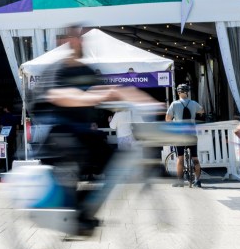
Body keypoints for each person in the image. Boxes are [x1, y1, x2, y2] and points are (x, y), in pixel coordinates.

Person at [36, 26, 154, 234]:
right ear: (62, 42)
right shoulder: (55, 70)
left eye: (80, 38)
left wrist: (139, 98)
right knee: (79, 158)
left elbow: (106, 90)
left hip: (85, 134)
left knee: (114, 161)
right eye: (73, 38)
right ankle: (75, 214)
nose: (79, 42)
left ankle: (85, 210)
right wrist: (86, 97)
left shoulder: (86, 71)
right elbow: (59, 96)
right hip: (59, 135)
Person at [165, 84, 204, 187]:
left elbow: (168, 119)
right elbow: (202, 110)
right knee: (195, 158)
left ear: (178, 92)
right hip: (192, 134)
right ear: (188, 92)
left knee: (180, 158)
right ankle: (198, 181)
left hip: (180, 135)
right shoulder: (193, 103)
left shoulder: (174, 104)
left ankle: (180, 182)